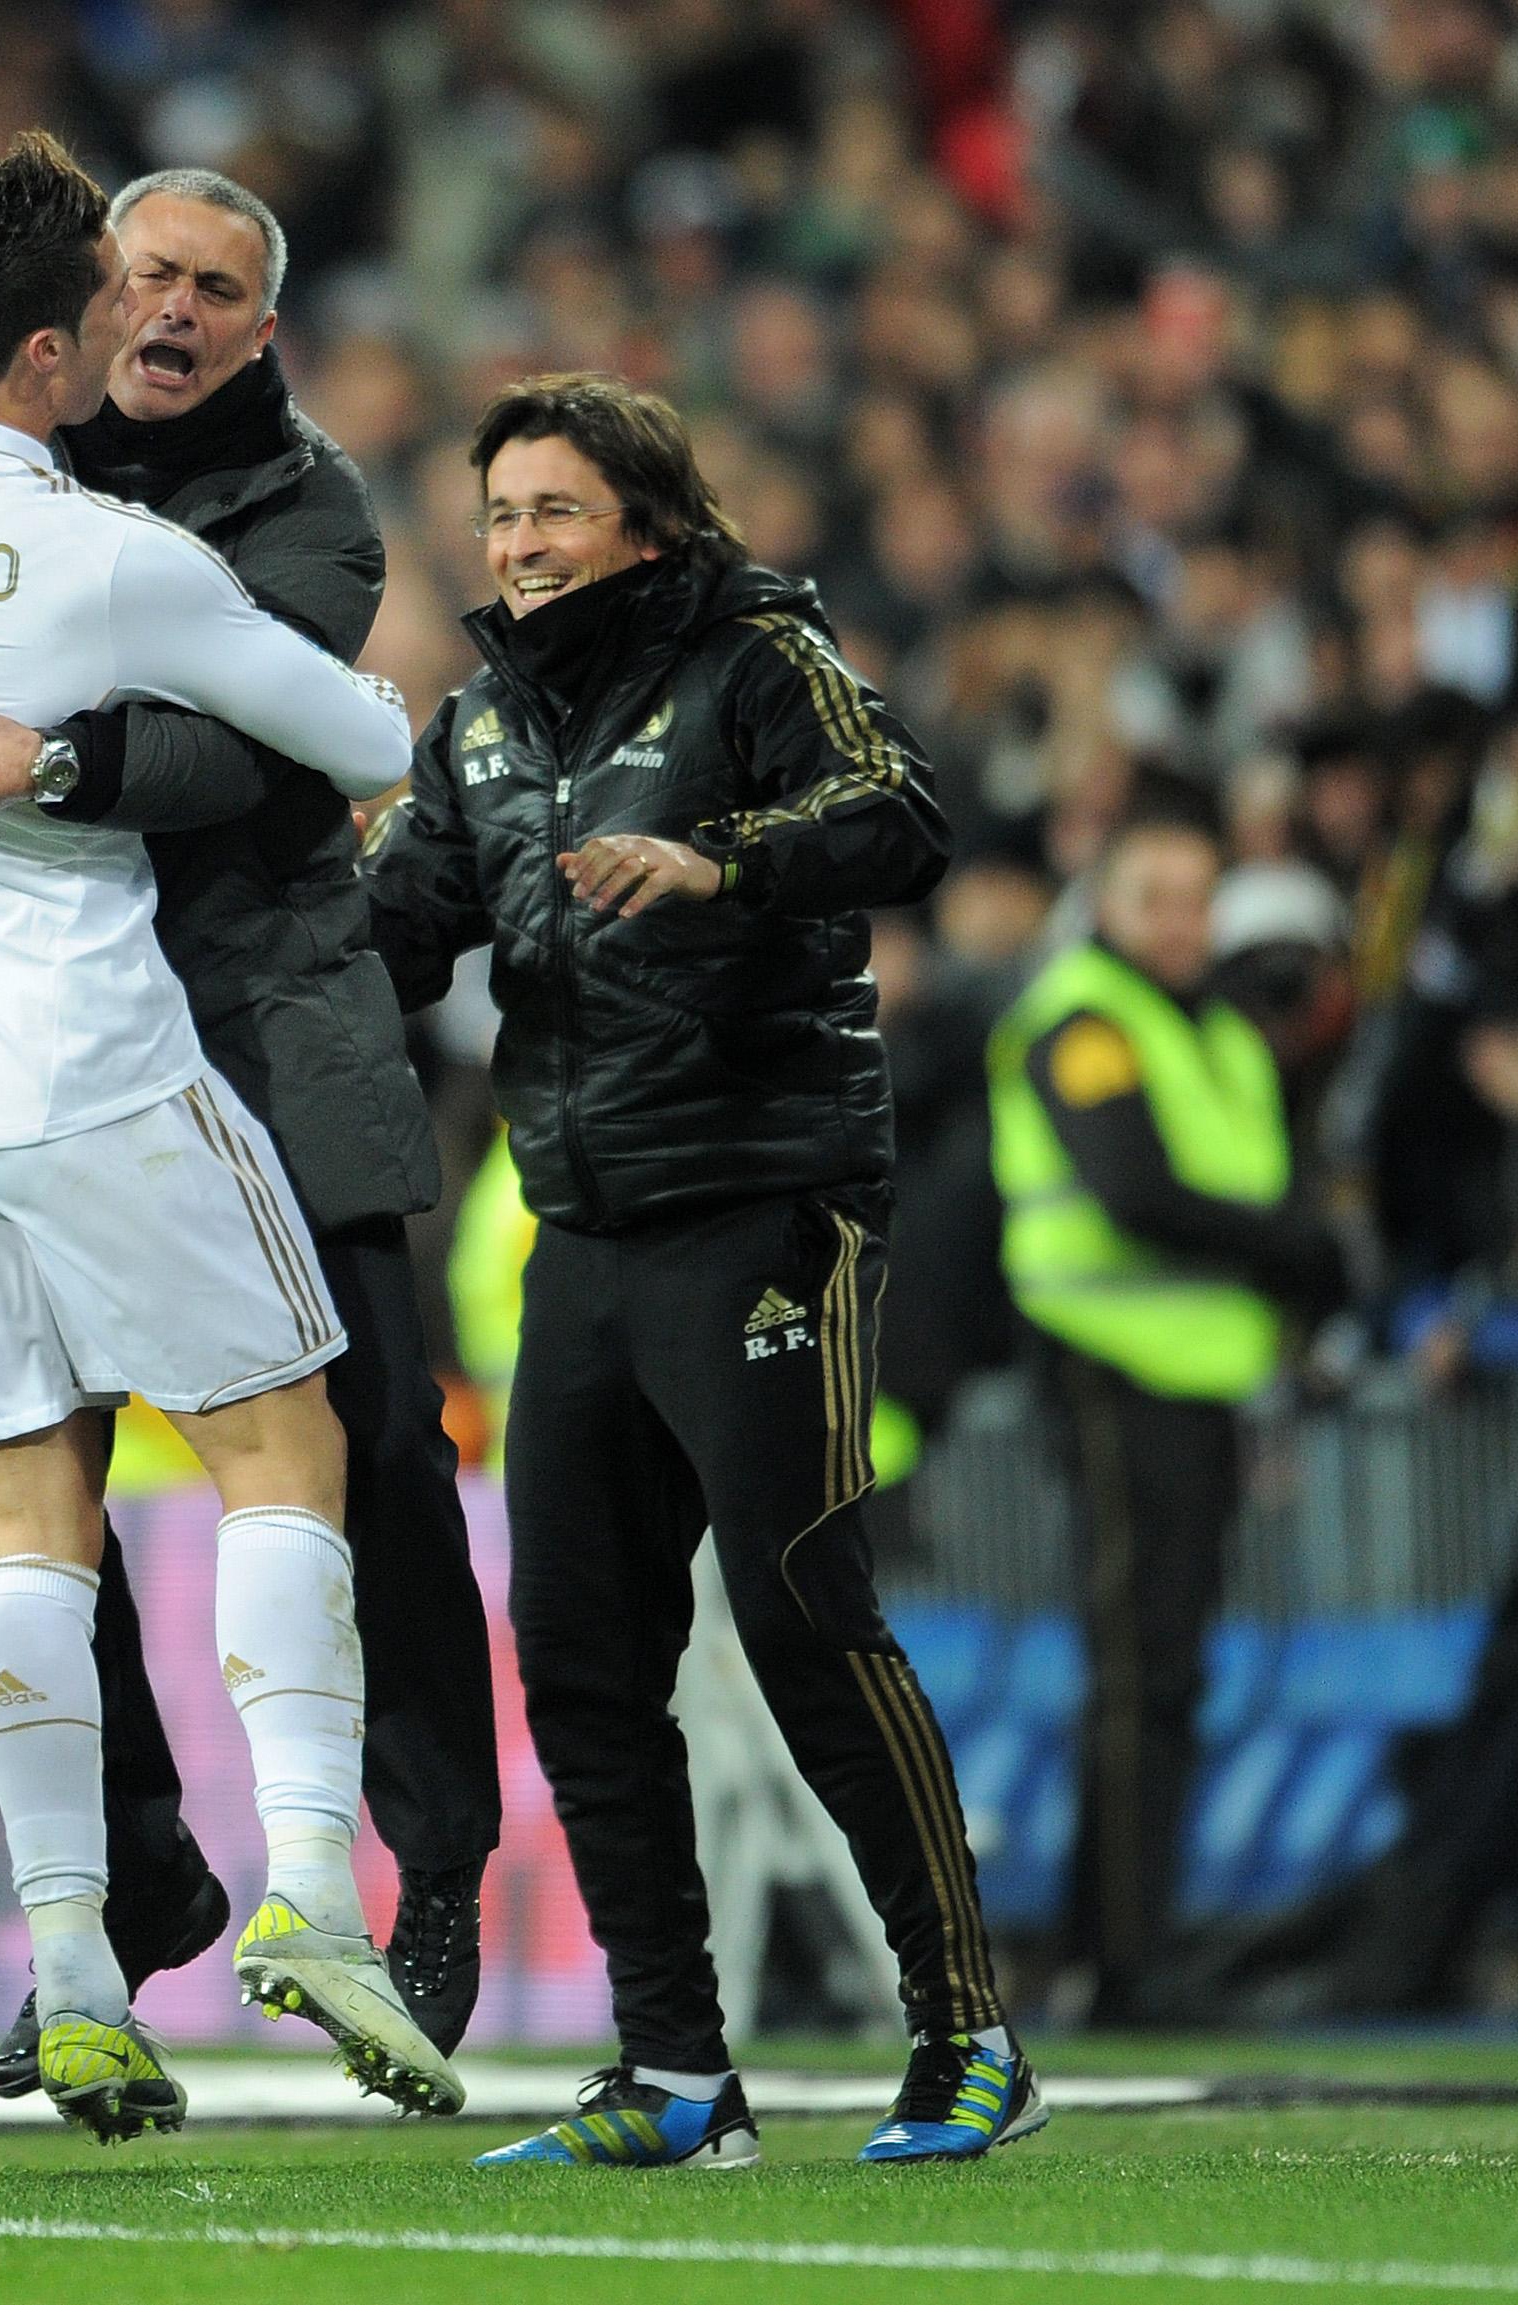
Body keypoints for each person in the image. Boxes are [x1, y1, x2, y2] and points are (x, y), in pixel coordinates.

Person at [0, 164, 500, 2094]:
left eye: (214, 287)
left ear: (258, 324)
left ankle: (261, 1904)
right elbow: (366, 738)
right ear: (64, 326)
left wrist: (11, 737)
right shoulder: (90, 543)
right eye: (141, 276)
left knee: (93, 1496)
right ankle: (243, 1890)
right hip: (91, 1062)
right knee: (276, 1441)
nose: (171, 312)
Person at [366, 371, 1040, 2168]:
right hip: (579, 1232)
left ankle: (968, 2030)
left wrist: (722, 861)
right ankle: (675, 2072)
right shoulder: (481, 726)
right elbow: (393, 934)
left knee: (805, 1605)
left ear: (647, 525)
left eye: (555, 512)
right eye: (501, 516)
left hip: (766, 1208)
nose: (518, 546)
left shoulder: (757, 656)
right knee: (582, 1658)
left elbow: (903, 819)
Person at [985, 806, 1347, 2026]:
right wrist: (1299, 1250)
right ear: (1106, 904)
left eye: (1198, 900)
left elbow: (1252, 1189)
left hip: (1196, 1383)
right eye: (1157, 899)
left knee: (1160, 1671)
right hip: (1111, 1371)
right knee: (1144, 1671)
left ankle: (1113, 1947)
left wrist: (1292, 1272)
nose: (1182, 925)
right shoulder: (1085, 1022)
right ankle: (1130, 1963)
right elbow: (1134, 1191)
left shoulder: (1219, 1033)